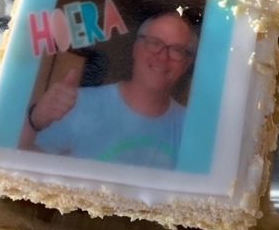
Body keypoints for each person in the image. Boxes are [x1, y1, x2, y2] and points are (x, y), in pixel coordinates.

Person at [23, 10, 197, 168]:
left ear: (186, 64)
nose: (163, 57)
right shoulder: (77, 104)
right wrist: (34, 120)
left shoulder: (192, 128)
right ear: (136, 49)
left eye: (177, 50)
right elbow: (24, 170)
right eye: (154, 43)